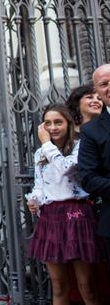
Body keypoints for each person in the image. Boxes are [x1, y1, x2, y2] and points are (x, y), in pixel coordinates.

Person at [26, 103, 105, 305]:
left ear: (68, 124)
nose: (52, 128)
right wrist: (35, 200)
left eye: (58, 122)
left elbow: (66, 168)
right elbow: (40, 184)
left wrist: (46, 144)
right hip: (51, 216)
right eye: (48, 123)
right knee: (59, 284)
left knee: (86, 284)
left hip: (78, 215)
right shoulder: (40, 154)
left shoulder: (80, 146)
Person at [79, 64, 110, 256]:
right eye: (104, 84)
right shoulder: (91, 131)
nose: (109, 88)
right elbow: (88, 178)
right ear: (97, 91)